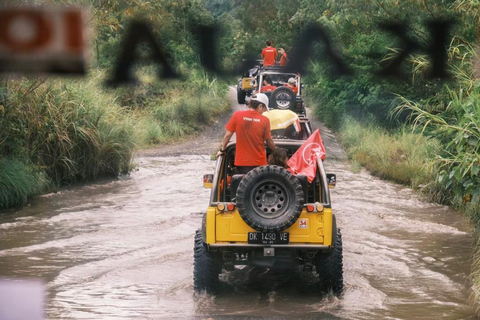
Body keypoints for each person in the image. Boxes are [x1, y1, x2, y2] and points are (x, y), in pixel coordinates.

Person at [217, 93, 276, 174]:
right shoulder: (265, 120)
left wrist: (222, 150)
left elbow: (228, 135)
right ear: (260, 106)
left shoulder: (237, 115)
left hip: (242, 163)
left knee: (244, 185)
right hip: (259, 164)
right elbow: (269, 141)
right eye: (264, 110)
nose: (263, 112)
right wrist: (276, 151)